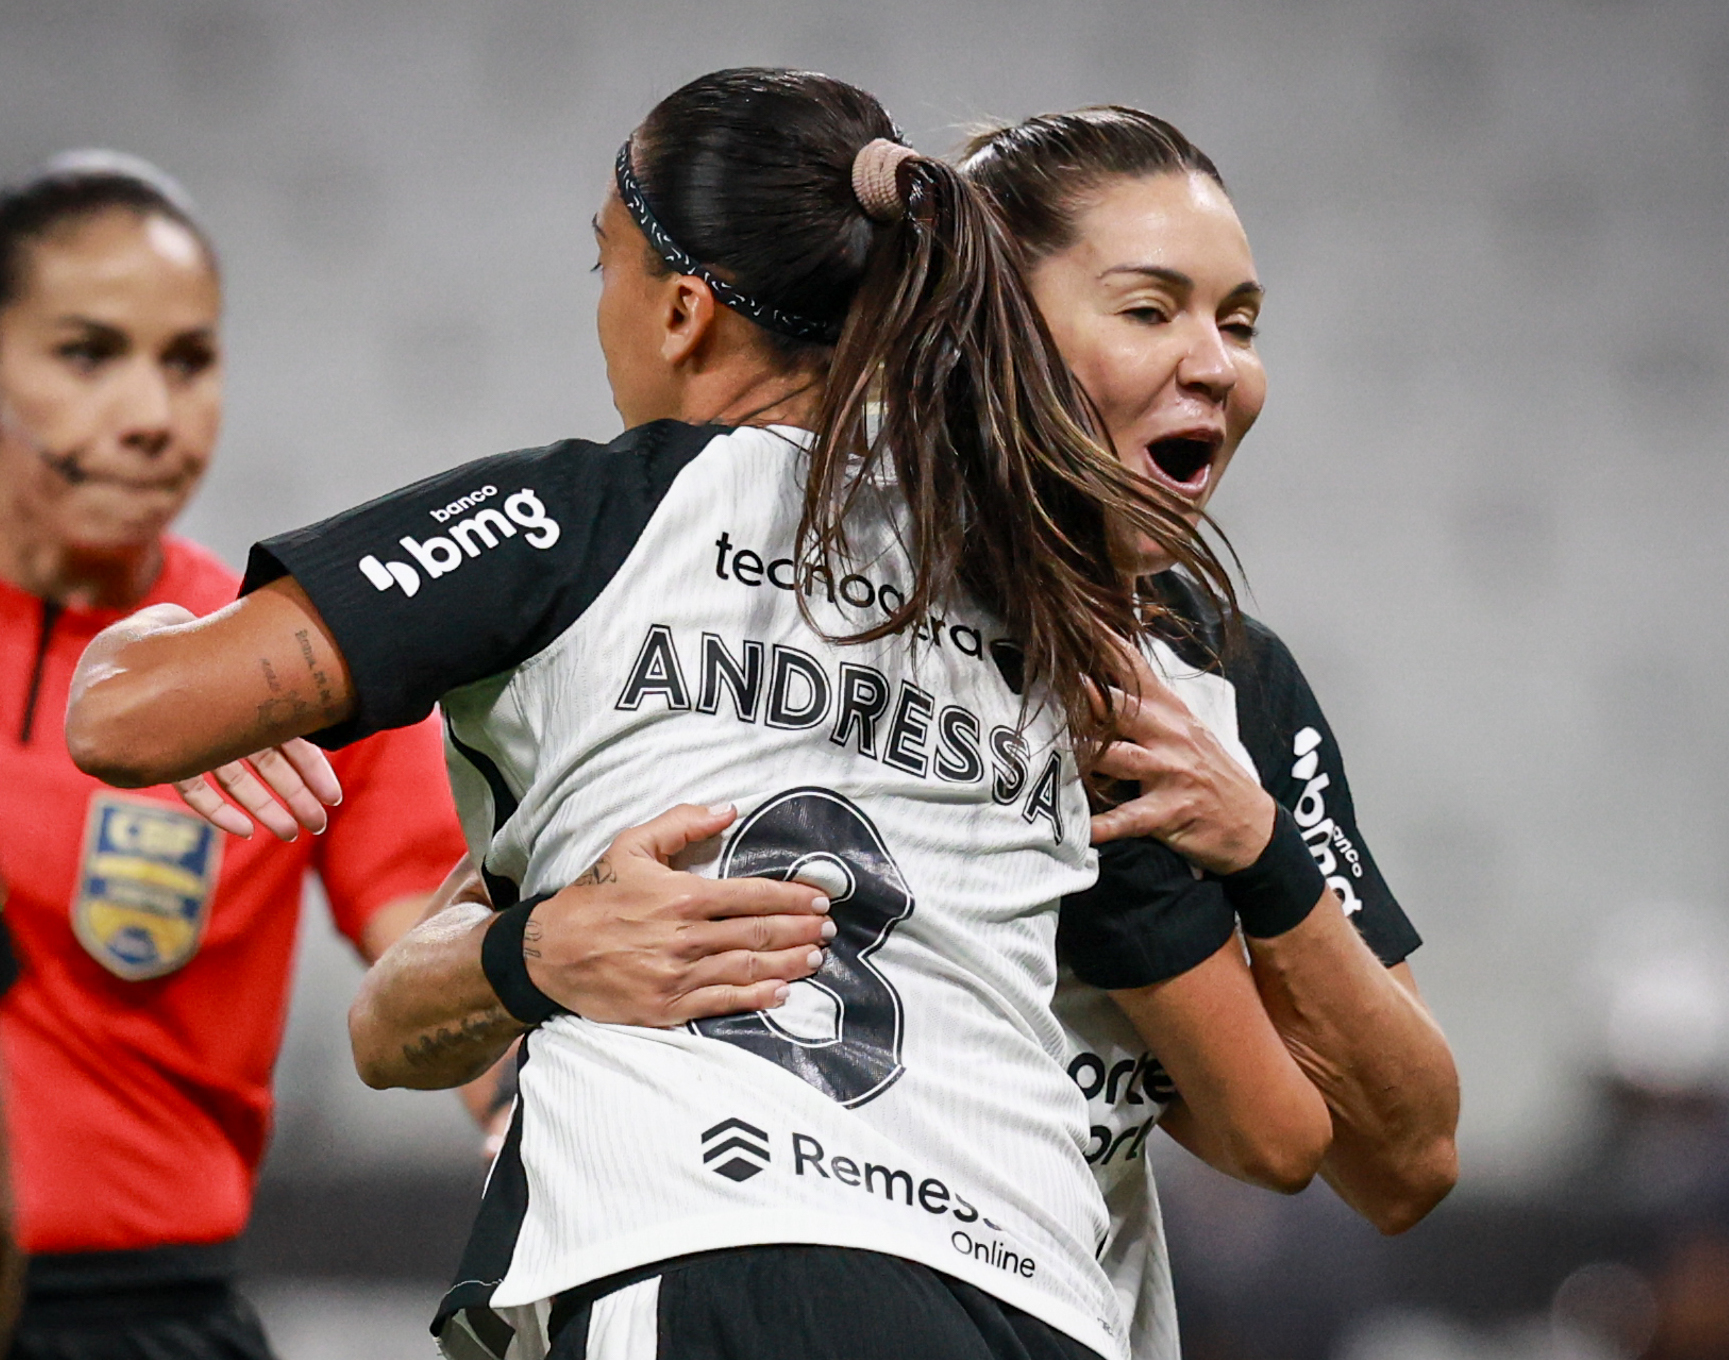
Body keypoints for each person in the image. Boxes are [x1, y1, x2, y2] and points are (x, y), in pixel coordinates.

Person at [65, 70, 1236, 1360]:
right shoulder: (1050, 597)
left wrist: (148, 629)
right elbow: (1282, 1137)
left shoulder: (584, 522)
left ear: (680, 310)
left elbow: (130, 723)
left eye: (604, 266)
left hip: (713, 1246)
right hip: (1044, 1297)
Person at [955, 106, 1459, 1359]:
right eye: (1150, 310)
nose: (1218, 365)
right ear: (983, 331)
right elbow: (1268, 1135)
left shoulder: (1225, 670)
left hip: (1074, 1316)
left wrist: (1258, 844)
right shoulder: (808, 611)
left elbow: (1408, 1157)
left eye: (1238, 323)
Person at [0, 153, 472, 1360]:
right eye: (88, 353)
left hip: (151, 1322)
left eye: (190, 360)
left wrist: (540, 1024)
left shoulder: (292, 667)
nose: (153, 413)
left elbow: (434, 955)